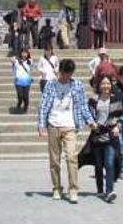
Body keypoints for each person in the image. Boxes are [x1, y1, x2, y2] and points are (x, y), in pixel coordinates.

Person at [37, 59, 96, 203]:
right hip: (53, 124)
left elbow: (82, 105)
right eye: (64, 73)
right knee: (54, 160)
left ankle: (73, 189)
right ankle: (57, 187)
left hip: (70, 125)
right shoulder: (50, 85)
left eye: (69, 74)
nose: (66, 77)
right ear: (59, 71)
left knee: (71, 157)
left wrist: (90, 121)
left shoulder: (77, 85)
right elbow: (44, 105)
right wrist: (41, 125)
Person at [88, 77, 123, 202]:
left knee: (109, 163)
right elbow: (89, 115)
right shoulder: (93, 99)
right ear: (99, 85)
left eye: (108, 83)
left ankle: (110, 191)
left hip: (110, 136)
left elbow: (121, 117)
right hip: (97, 136)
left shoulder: (116, 99)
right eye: (103, 83)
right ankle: (100, 189)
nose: (106, 85)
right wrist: (92, 123)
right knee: (98, 165)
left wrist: (118, 128)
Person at [11, 48, 34, 113]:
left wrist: (32, 64)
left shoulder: (29, 62)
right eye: (23, 53)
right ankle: (19, 102)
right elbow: (12, 70)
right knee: (20, 95)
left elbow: (33, 70)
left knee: (26, 96)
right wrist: (12, 63)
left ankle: (26, 106)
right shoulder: (17, 61)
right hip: (18, 81)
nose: (24, 54)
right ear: (21, 53)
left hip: (27, 82)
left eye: (26, 53)